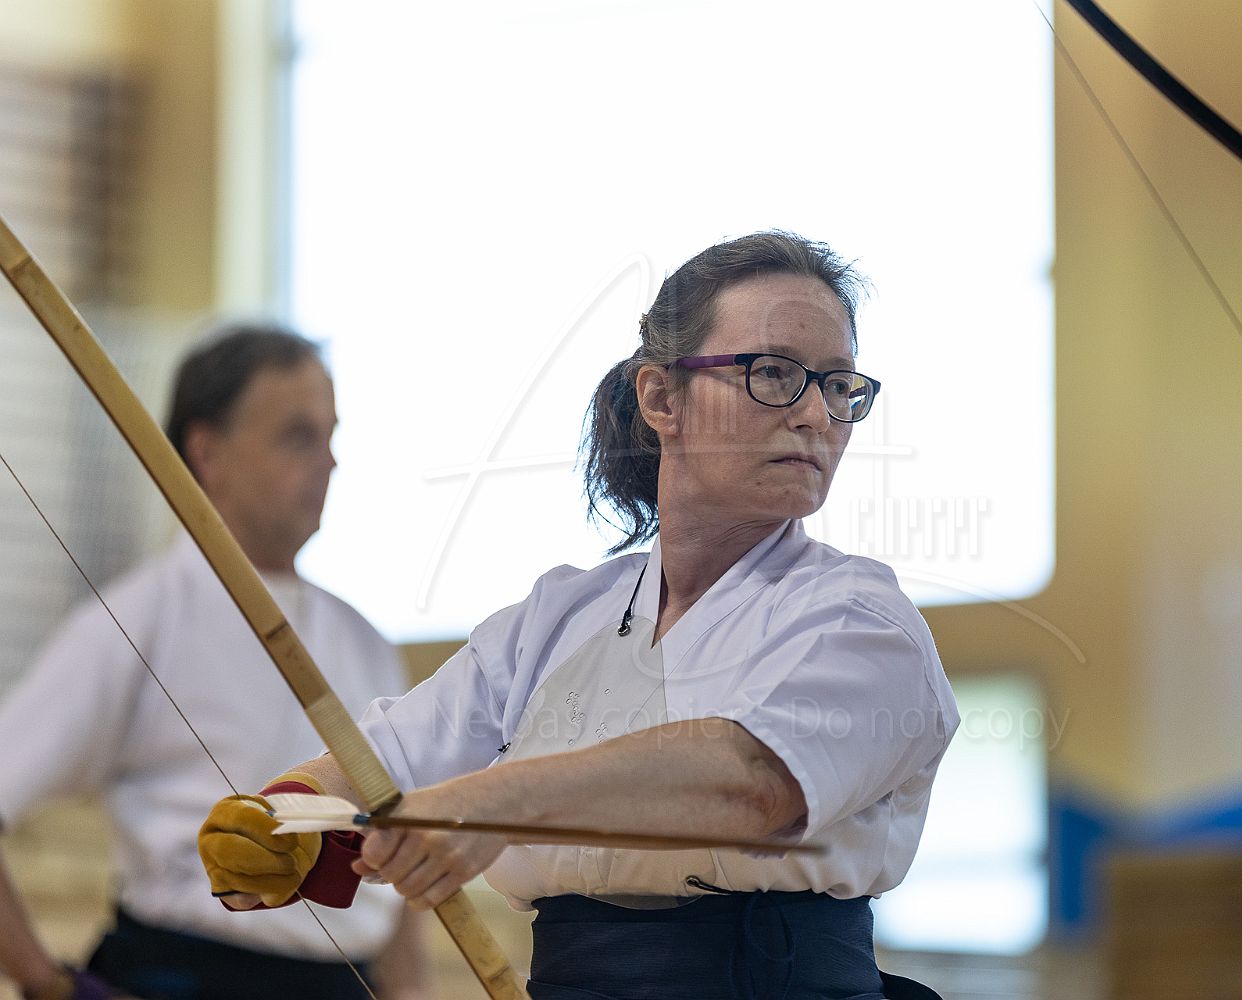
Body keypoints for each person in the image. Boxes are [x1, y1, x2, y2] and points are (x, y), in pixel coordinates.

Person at [200, 234, 960, 999]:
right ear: (662, 398)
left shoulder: (863, 620)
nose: (816, 415)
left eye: (838, 386)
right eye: (773, 373)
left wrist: (490, 803)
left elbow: (750, 783)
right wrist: (281, 821)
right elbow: (391, 757)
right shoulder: (556, 618)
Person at [0, 325, 431, 1000]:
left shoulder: (366, 642)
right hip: (181, 976)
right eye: (298, 436)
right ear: (207, 451)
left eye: (331, 435)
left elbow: (393, 854)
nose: (329, 462)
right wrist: (45, 983)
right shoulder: (136, 620)